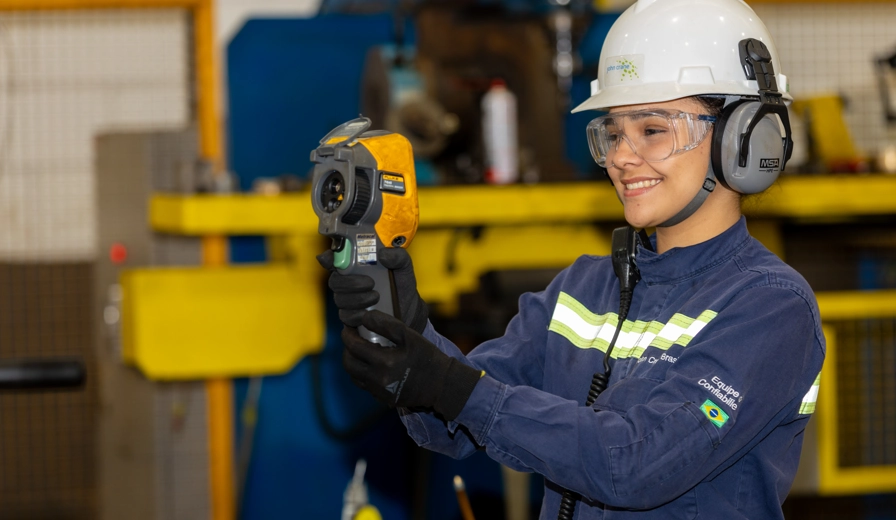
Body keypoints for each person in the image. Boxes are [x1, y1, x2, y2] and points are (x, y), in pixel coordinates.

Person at [318, 0, 826, 518]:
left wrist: (454, 387)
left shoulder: (771, 307)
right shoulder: (582, 288)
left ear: (743, 137)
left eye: (652, 129)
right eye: (613, 132)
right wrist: (404, 327)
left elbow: (637, 464)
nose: (623, 157)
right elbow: (449, 428)